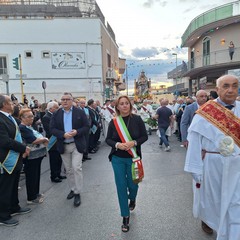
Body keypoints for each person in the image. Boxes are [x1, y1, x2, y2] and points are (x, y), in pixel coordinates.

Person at [184, 74, 240, 239]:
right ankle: (218, 229)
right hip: (213, 165)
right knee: (215, 202)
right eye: (226, 86)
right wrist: (196, 170)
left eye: (234, 85)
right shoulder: (205, 113)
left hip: (237, 165)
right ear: (217, 89)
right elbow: (194, 142)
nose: (230, 90)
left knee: (236, 203)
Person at [106, 95, 148, 232]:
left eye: (126, 103)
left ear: (130, 105)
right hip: (117, 158)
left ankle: (133, 198)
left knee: (133, 184)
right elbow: (108, 140)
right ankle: (125, 216)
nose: (124, 106)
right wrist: (118, 144)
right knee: (121, 186)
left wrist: (134, 143)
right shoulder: (114, 122)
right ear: (117, 107)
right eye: (121, 104)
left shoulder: (137, 119)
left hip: (133, 158)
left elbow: (144, 136)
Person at [50, 92, 89, 207]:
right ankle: (72, 188)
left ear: (72, 101)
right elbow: (52, 129)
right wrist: (62, 134)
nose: (65, 101)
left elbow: (86, 126)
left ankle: (77, 192)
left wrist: (77, 132)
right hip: (64, 145)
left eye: (67, 99)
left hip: (76, 144)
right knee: (68, 170)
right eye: (63, 99)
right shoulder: (56, 114)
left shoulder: (79, 112)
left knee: (76, 167)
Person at [0, 95, 31, 227]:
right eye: (10, 102)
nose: (13, 104)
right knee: (5, 188)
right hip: (6, 158)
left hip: (15, 156)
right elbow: (4, 141)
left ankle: (14, 207)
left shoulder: (9, 117)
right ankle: (3, 216)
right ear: (3, 104)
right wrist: (23, 147)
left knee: (13, 185)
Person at [19, 108, 49, 205]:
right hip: (31, 156)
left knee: (36, 175)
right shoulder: (22, 128)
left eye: (32, 116)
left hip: (37, 155)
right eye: (29, 116)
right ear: (22, 118)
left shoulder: (29, 127)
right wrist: (44, 139)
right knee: (31, 176)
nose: (32, 118)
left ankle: (36, 193)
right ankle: (31, 197)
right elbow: (33, 140)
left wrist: (42, 139)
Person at [42, 101, 66, 182]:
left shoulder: (56, 116)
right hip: (52, 141)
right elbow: (49, 131)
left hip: (58, 140)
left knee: (59, 159)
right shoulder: (46, 117)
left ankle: (58, 174)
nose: (57, 109)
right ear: (51, 109)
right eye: (56, 108)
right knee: (53, 160)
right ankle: (54, 176)